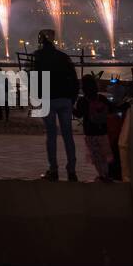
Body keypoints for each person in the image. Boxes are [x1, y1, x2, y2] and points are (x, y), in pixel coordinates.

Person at [31, 30, 79, 181]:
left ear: (41, 40)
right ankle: (72, 171)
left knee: (51, 136)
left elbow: (34, 79)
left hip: (47, 99)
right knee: (68, 136)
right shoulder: (63, 57)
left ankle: (53, 170)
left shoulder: (37, 56)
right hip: (65, 100)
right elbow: (74, 79)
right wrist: (72, 99)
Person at [74, 74, 114, 181]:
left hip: (90, 131)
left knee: (96, 156)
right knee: (104, 155)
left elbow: (78, 114)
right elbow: (112, 109)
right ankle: (105, 174)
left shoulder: (83, 100)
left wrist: (69, 107)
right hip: (103, 130)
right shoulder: (101, 98)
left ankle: (103, 176)